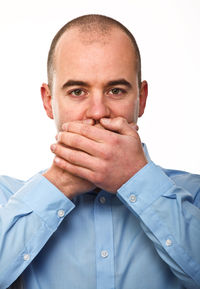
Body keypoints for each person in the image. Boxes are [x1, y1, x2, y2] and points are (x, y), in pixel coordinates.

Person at [0, 14, 200, 289]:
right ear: (48, 102)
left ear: (141, 100)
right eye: (77, 91)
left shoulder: (194, 196)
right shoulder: (6, 201)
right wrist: (60, 182)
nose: (97, 112)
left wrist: (137, 179)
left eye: (116, 90)